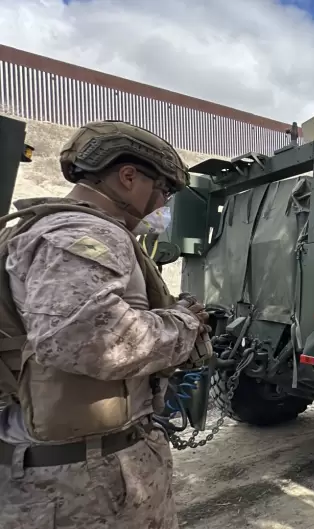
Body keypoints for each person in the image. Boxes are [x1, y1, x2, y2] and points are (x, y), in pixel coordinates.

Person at [0, 120, 210, 528]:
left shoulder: (44, 229)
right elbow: (85, 338)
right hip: (83, 481)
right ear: (128, 176)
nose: (162, 204)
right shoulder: (85, 231)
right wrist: (183, 324)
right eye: (163, 189)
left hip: (72, 465)